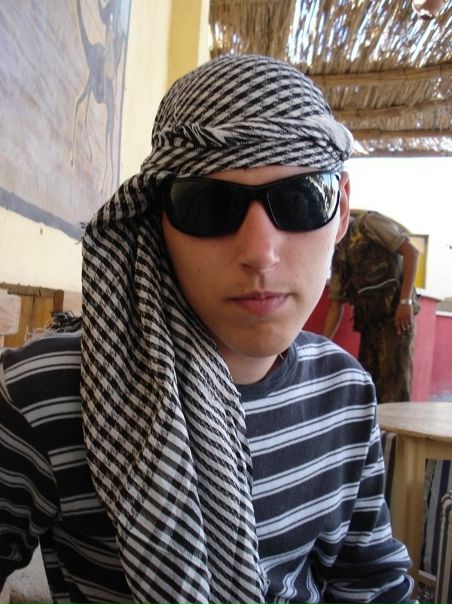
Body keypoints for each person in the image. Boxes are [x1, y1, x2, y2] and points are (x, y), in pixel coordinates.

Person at [0, 54, 416, 604]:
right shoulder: (46, 394)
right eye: (207, 205)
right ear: (158, 220)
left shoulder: (346, 391)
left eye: (299, 200)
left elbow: (371, 585)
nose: (259, 252)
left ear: (340, 211)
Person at [323, 210, 421, 403]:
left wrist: (405, 302)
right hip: (370, 327)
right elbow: (336, 305)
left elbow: (412, 252)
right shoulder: (339, 253)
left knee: (395, 389)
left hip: (395, 321)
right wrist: (322, 345)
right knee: (368, 391)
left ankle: (396, 425)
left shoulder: (368, 223)